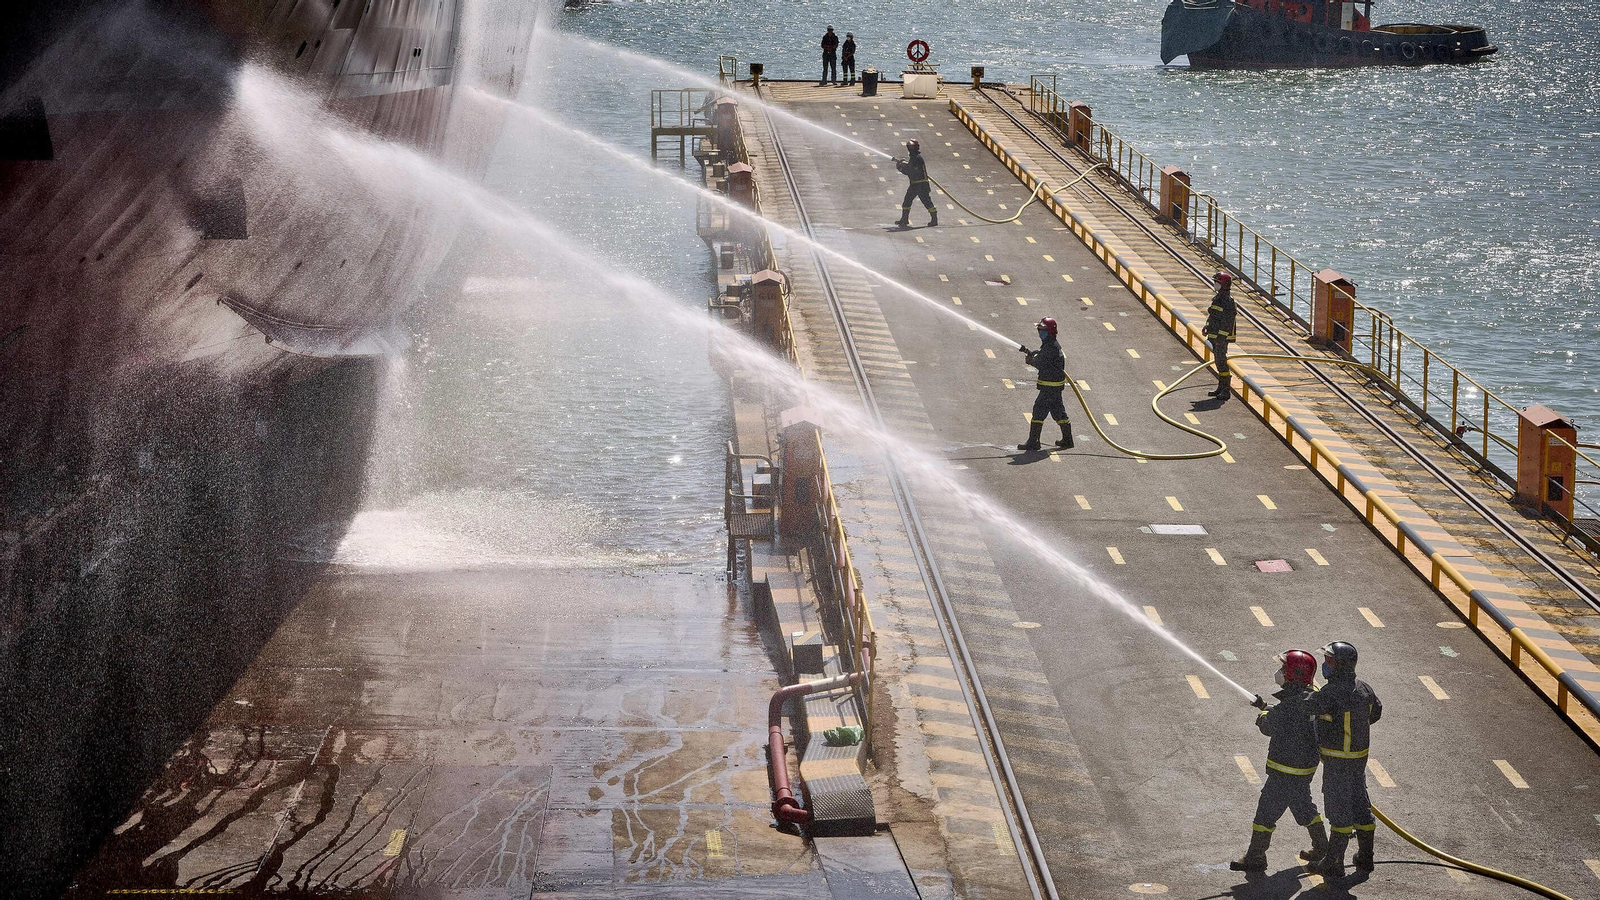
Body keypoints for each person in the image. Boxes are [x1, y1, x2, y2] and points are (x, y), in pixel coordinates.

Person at [1231, 650, 1328, 871]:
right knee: (1303, 806)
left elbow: (1269, 725)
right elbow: (1288, 715)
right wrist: (1269, 708)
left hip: (1285, 768)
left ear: (1295, 674)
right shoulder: (1309, 696)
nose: (1279, 672)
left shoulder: (1291, 703)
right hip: (1303, 768)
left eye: (1284, 669)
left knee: (1265, 812)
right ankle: (1322, 847)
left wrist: (1263, 714)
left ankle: (1256, 857)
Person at [1310, 641, 1383, 877]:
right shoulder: (1365, 689)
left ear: (1340, 665)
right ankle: (1366, 857)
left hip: (1336, 764)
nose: (1325, 665)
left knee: (1338, 813)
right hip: (1358, 762)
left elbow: (1308, 712)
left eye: (1329, 661)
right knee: (1361, 807)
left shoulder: (1329, 694)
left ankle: (1333, 862)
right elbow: (1376, 712)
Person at [1018, 317, 1072, 452]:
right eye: (1039, 330)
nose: (1040, 333)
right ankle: (1068, 439)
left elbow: (1040, 363)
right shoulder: (1051, 345)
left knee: (1038, 412)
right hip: (1054, 386)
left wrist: (1031, 360)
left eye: (1043, 331)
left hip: (1049, 387)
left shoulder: (1050, 347)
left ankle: (1033, 442)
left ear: (1050, 332)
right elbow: (1043, 360)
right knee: (1058, 412)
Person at [1203, 271, 1237, 399]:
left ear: (1223, 284)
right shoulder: (1218, 298)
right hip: (1215, 335)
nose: (1214, 284)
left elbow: (1227, 322)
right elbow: (1213, 316)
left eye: (1216, 282)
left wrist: (1221, 338)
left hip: (1221, 338)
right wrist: (1207, 326)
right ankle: (1221, 387)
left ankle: (1226, 390)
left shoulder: (1227, 301)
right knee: (1218, 361)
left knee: (1222, 362)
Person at [893, 140, 937, 228]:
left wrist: (900, 168)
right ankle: (904, 219)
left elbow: (910, 171)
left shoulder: (916, 158)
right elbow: (910, 168)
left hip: (920, 184)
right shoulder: (914, 158)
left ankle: (934, 219)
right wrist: (902, 165)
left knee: (926, 202)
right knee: (907, 201)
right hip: (915, 184)